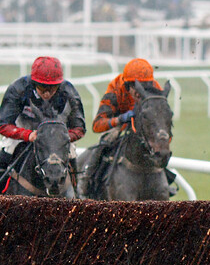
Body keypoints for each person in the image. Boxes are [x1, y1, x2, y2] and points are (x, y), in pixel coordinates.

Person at [85, 58, 176, 196]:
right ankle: (85, 182)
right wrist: (120, 119)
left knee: (158, 146)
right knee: (106, 141)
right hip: (119, 126)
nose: (141, 91)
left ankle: (163, 183)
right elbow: (97, 125)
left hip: (144, 128)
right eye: (137, 86)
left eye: (145, 85)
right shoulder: (116, 87)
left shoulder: (155, 89)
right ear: (127, 85)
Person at [0, 56, 86, 182]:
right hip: (24, 131)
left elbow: (80, 128)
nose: (47, 93)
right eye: (42, 87)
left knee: (72, 153)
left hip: (57, 136)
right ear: (34, 83)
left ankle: (77, 190)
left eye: (52, 88)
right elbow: (3, 124)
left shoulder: (69, 91)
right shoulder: (18, 89)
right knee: (7, 148)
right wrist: (27, 135)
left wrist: (62, 137)